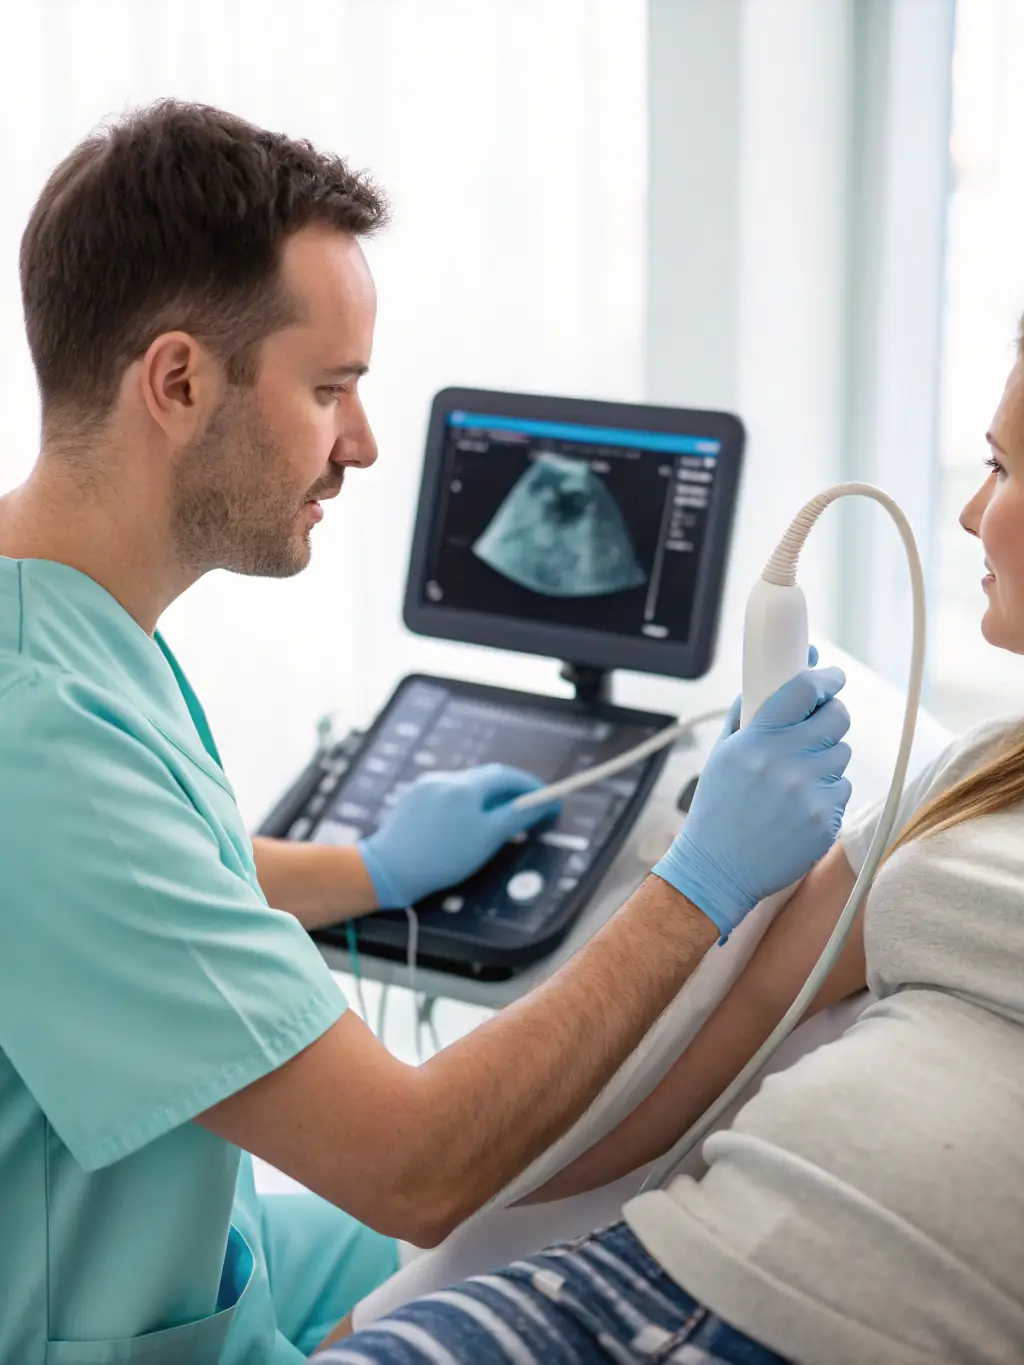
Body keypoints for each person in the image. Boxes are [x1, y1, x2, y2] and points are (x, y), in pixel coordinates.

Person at [0, 100, 854, 1365]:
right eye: (330, 387)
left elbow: (153, 874)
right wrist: (702, 881)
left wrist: (374, 870)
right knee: (544, 1212)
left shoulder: (62, 623)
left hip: (191, 1252)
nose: (361, 442)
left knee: (553, 1203)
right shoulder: (37, 740)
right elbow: (410, 1166)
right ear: (178, 381)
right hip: (98, 1321)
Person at [313, 351, 1024, 1362]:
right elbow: (708, 1050)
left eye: (999, 469)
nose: (964, 516)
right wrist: (425, 1289)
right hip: (630, 1269)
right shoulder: (984, 770)